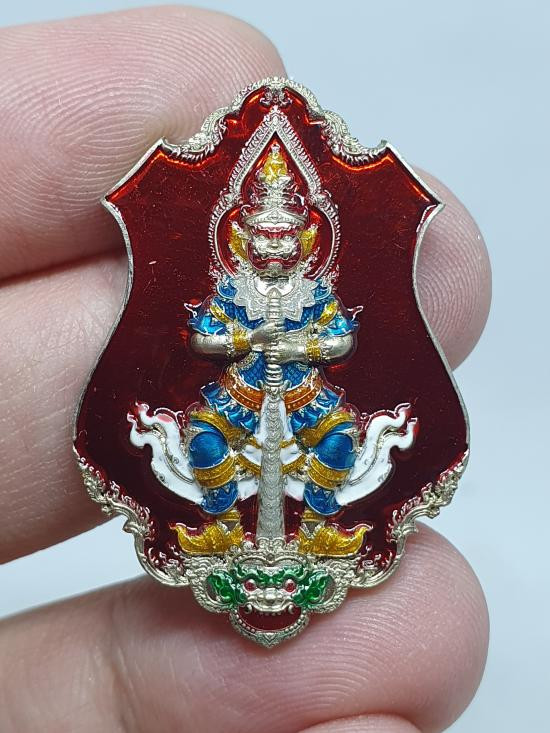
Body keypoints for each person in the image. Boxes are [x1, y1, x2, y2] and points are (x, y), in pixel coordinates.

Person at [0, 7, 491, 732]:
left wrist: (302, 349)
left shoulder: (313, 289)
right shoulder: (232, 287)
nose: (274, 248)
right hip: (237, 392)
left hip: (304, 392)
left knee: (339, 447)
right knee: (202, 445)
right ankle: (222, 522)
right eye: (262, 238)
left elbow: (340, 342)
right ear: (241, 236)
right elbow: (203, 338)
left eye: (285, 238)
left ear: (305, 239)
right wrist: (242, 336)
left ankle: (314, 527)